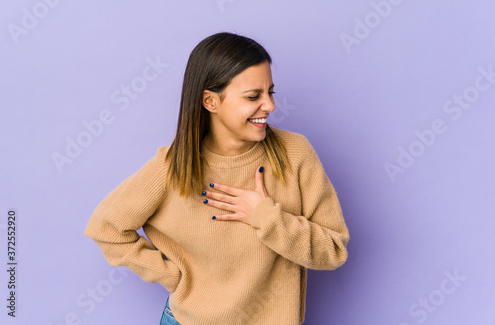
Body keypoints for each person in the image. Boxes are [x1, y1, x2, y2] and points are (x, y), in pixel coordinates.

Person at [84, 31, 349, 325]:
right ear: (210, 101)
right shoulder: (173, 165)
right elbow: (106, 229)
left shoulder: (295, 153)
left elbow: (333, 251)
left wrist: (265, 216)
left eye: (270, 92)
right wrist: (175, 278)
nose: (270, 106)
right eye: (253, 96)